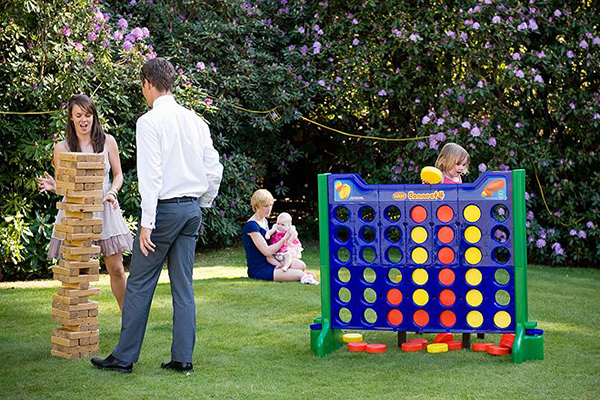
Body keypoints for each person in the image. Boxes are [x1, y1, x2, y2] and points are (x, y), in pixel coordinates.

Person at [91, 57, 223, 374]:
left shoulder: (149, 122)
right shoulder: (197, 121)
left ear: (148, 84)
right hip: (191, 210)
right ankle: (182, 358)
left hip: (164, 212)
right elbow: (214, 169)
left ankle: (123, 358)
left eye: (142, 87)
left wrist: (147, 224)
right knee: (183, 286)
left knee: (138, 283)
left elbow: (151, 178)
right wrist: (200, 202)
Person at [39, 94, 133, 312]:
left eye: (88, 115)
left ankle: (129, 322)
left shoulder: (108, 141)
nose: (84, 120)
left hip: (105, 209)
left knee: (116, 268)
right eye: (79, 115)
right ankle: (80, 326)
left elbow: (118, 175)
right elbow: (64, 185)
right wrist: (56, 186)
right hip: (76, 214)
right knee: (78, 271)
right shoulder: (62, 148)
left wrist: (112, 192)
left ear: (94, 117)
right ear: (71, 118)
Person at [243, 189, 318, 285]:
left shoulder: (264, 221)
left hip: (272, 261)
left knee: (301, 265)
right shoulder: (251, 226)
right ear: (257, 206)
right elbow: (267, 251)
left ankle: (301, 274)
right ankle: (303, 276)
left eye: (270, 205)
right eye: (266, 206)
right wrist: (284, 239)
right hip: (260, 268)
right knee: (299, 273)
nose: (269, 209)